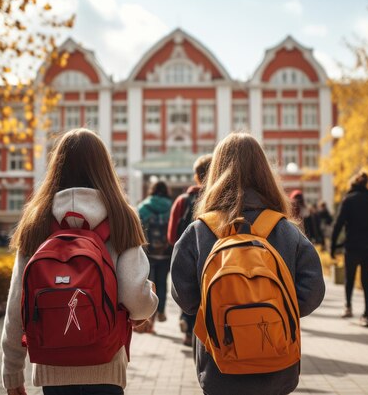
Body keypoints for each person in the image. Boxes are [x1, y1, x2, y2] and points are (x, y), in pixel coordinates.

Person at [1, 129, 158, 395]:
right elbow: (135, 298)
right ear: (104, 167)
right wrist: (149, 301)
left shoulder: (36, 219)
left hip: (52, 366)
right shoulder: (121, 215)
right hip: (106, 364)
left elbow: (18, 301)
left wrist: (12, 369)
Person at [170, 133, 325, 395]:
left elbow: (183, 295)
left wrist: (219, 314)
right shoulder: (286, 230)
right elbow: (313, 292)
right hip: (277, 364)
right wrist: (274, 314)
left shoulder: (200, 231)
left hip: (219, 363)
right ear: (265, 172)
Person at [330, 171, 368, 328]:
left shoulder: (348, 200)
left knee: (350, 279)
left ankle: (348, 307)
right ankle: (366, 315)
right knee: (367, 282)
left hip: (352, 247)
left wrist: (333, 246)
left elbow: (338, 225)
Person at [167, 154, 212, 347]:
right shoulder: (218, 198)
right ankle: (206, 336)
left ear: (196, 176)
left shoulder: (182, 200)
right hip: (213, 257)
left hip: (187, 256)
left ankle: (187, 326)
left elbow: (171, 235)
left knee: (187, 291)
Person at [138, 181, 173, 329]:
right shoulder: (171, 207)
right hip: (165, 253)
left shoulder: (144, 207)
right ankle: (161, 311)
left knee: (149, 284)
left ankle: (149, 319)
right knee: (162, 283)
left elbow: (138, 230)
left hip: (148, 253)